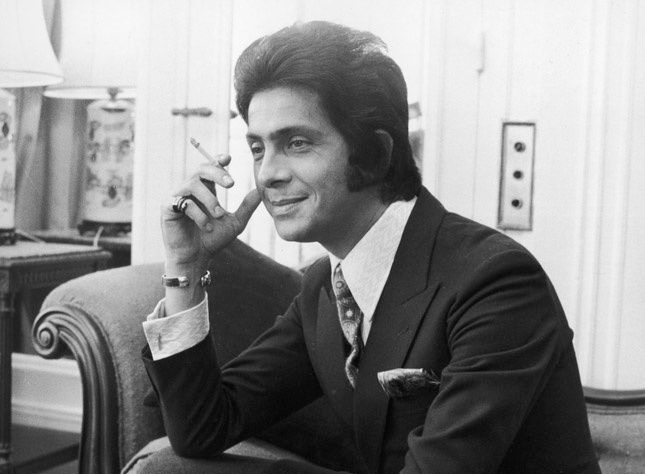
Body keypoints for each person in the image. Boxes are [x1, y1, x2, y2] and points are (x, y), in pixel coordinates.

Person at [141, 21, 600, 474]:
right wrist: (186, 266)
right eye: (258, 148)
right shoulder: (325, 287)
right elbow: (201, 429)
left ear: (376, 153)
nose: (267, 174)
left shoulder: (496, 282)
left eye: (296, 143)